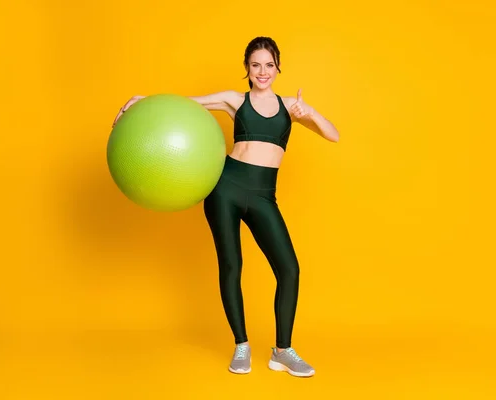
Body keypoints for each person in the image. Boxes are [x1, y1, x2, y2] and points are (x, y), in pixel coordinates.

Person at [112, 36, 340, 377]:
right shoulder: (235, 100)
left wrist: (308, 114)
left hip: (263, 196)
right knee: (232, 265)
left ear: (278, 67)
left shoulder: (290, 106)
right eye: (255, 65)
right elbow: (185, 105)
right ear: (247, 69)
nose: (262, 71)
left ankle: (283, 350)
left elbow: (333, 134)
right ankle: (241, 345)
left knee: (289, 269)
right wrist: (143, 102)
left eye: (268, 65)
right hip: (226, 190)